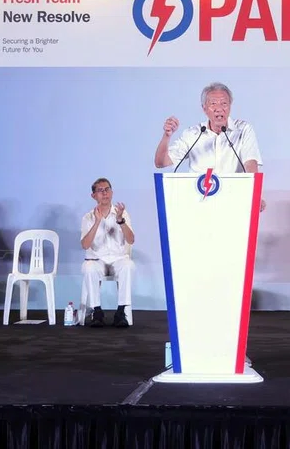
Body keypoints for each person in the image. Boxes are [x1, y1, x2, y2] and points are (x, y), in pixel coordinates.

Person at [154, 82, 265, 211]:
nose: (219, 108)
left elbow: (250, 163)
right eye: (213, 104)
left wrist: (255, 195)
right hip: (198, 206)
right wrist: (167, 136)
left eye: (224, 103)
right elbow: (161, 162)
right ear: (204, 108)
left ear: (230, 106)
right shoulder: (193, 133)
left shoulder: (243, 129)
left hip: (233, 203)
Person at [80, 178, 135, 327]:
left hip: (118, 259)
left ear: (112, 192)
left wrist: (120, 221)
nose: (104, 193)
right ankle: (97, 312)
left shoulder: (122, 214)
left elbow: (131, 240)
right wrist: (97, 222)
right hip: (97, 260)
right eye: (100, 190)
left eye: (107, 189)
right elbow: (85, 245)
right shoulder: (88, 217)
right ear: (93, 196)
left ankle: (121, 312)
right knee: (88, 268)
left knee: (128, 265)